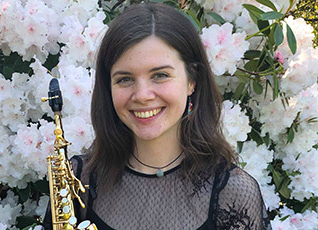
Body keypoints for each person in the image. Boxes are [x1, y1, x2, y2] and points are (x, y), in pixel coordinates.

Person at [46, 3, 272, 230]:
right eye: (125, 79)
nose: (142, 96)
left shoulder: (232, 192)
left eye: (160, 75)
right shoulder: (79, 180)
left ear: (192, 81)